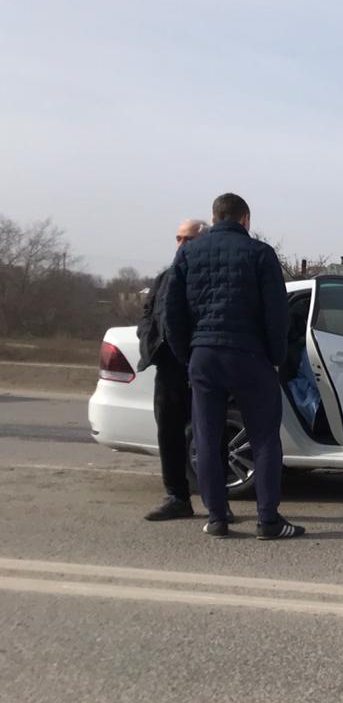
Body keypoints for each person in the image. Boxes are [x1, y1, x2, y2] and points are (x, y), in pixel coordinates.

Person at [164, 192, 303, 539]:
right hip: (250, 354)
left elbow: (173, 313)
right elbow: (277, 313)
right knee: (265, 438)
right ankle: (268, 519)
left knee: (207, 437)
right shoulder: (260, 254)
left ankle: (216, 517)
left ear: (213, 220)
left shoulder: (188, 254)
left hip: (204, 355)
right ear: (245, 220)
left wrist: (188, 354)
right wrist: (276, 357)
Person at [136, 219, 209, 521]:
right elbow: (148, 313)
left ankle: (216, 503)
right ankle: (176, 497)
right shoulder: (166, 277)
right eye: (178, 238)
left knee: (209, 434)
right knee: (169, 432)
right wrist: (147, 340)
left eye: (188, 239)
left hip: (199, 364)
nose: (181, 244)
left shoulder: (208, 277)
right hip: (168, 366)